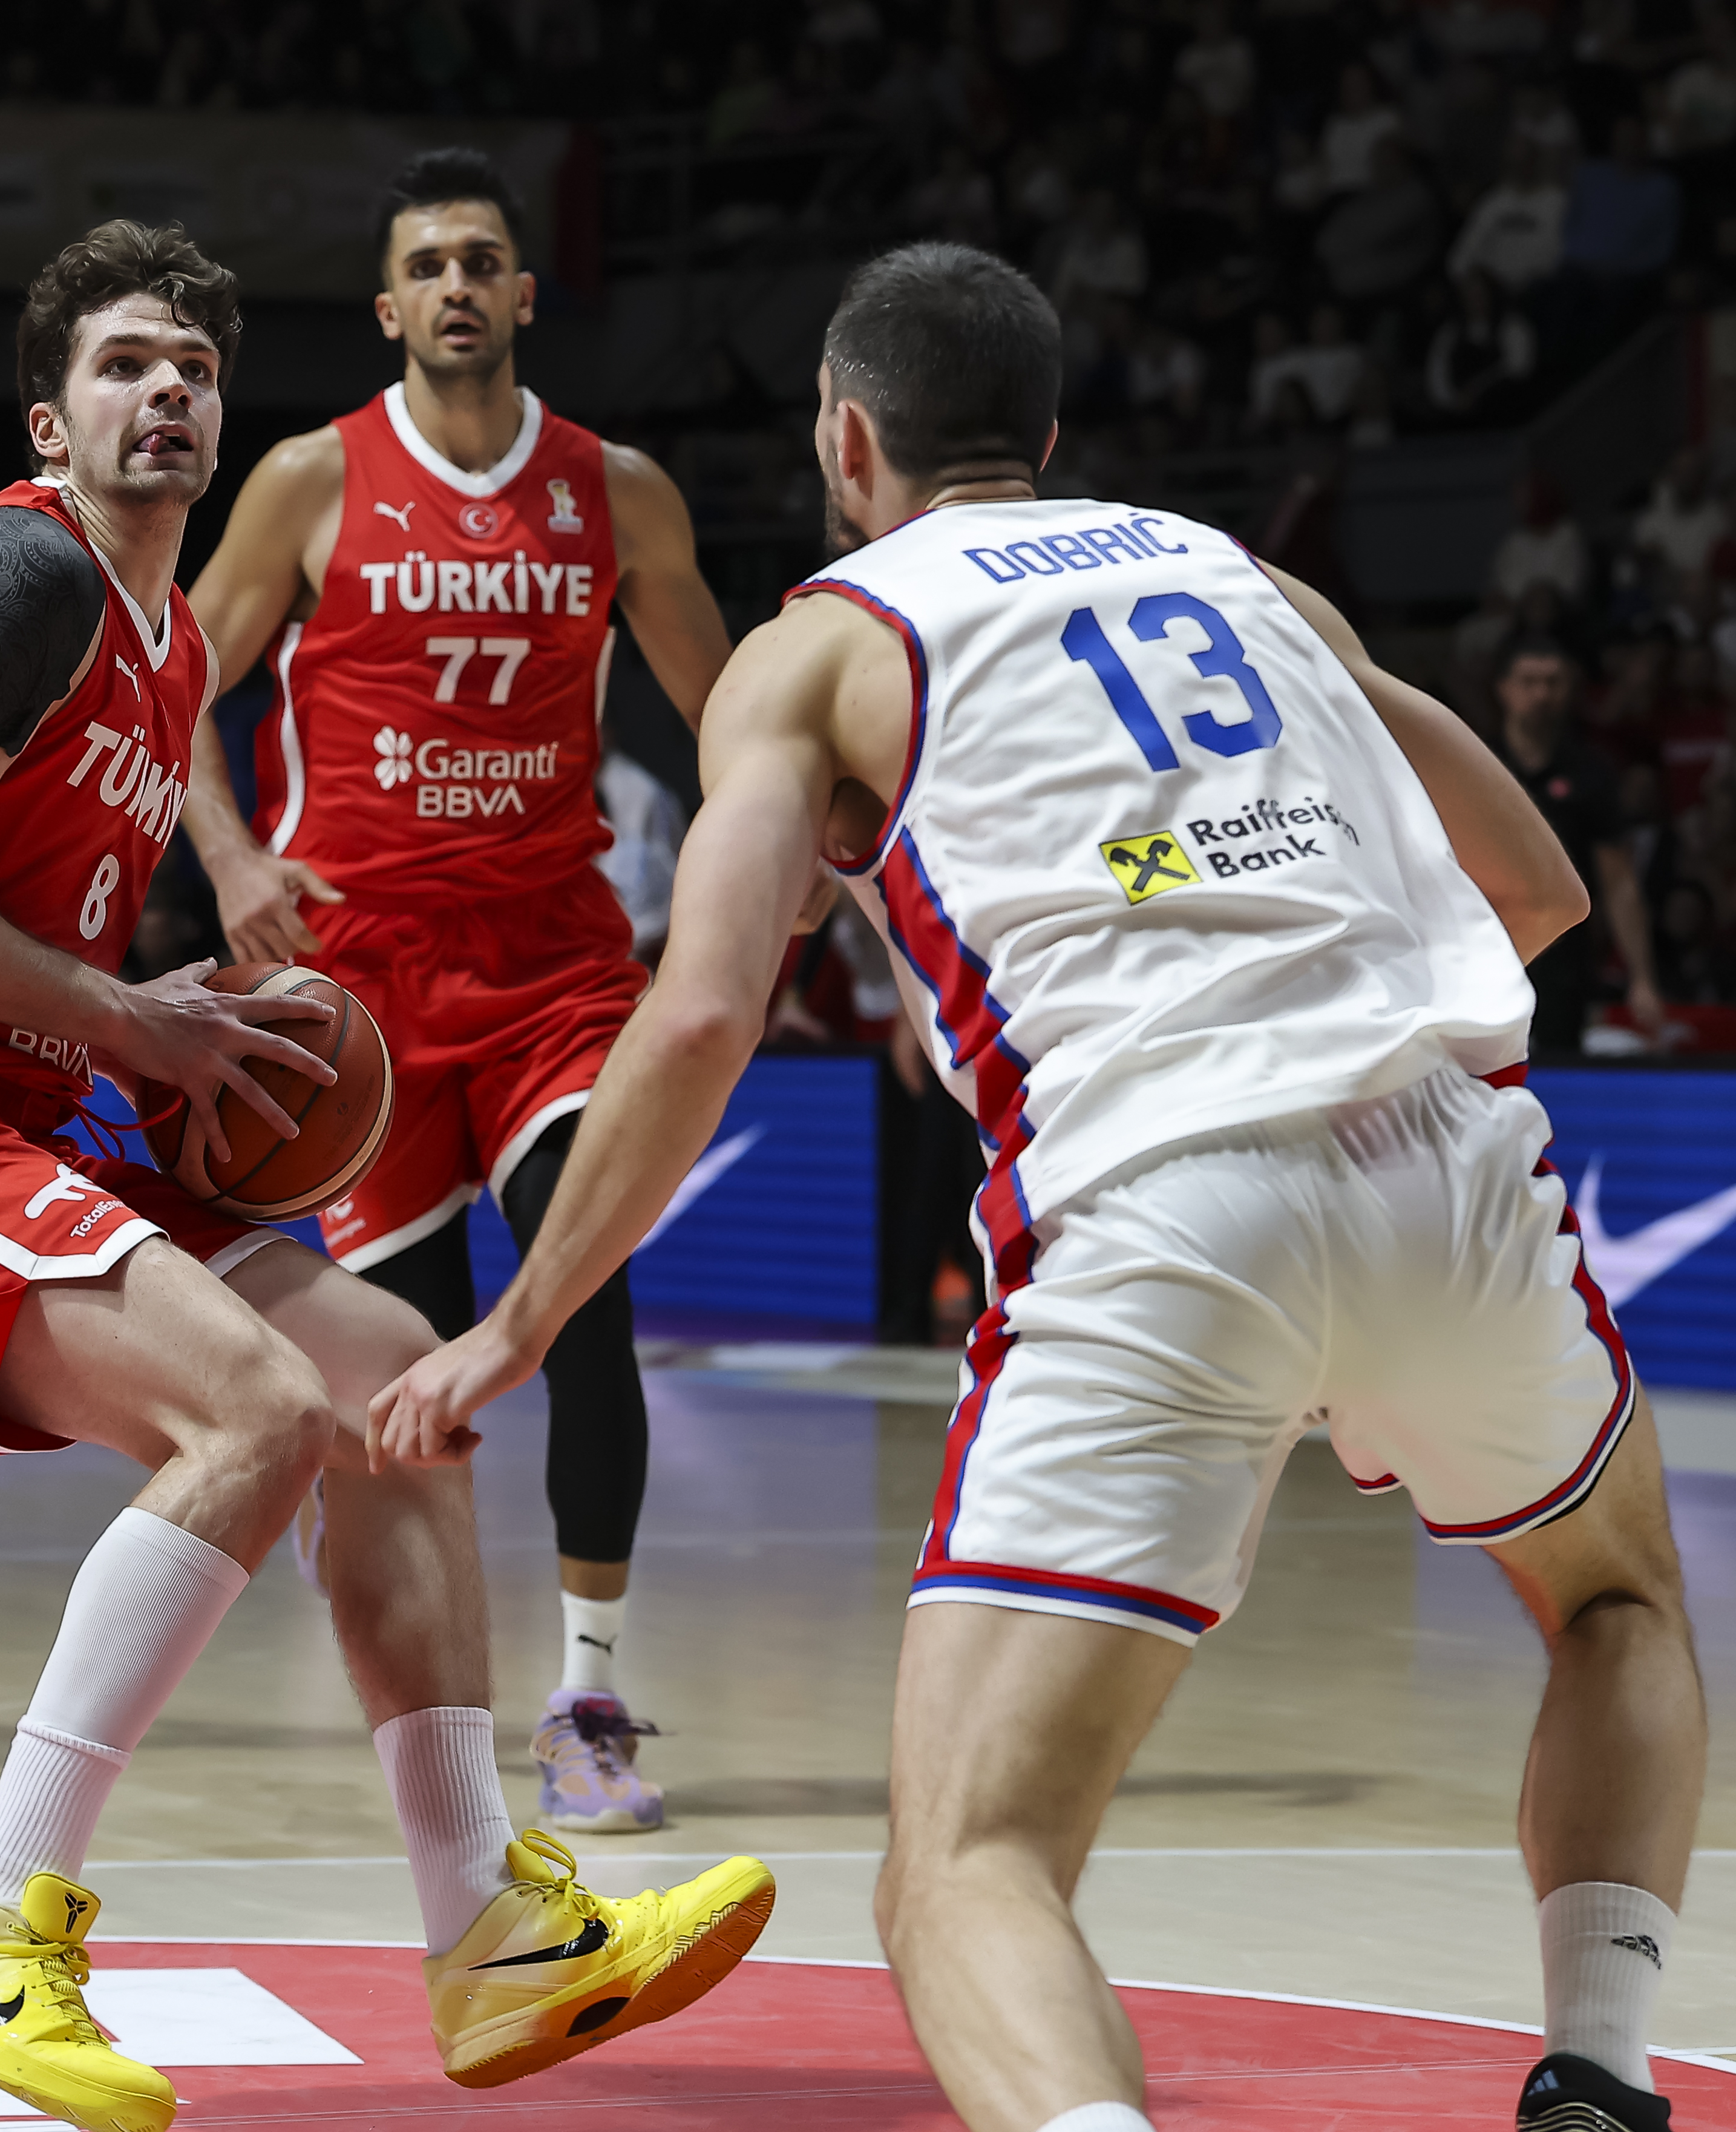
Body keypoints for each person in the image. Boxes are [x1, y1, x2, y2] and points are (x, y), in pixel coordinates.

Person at [376, 239, 1700, 2132]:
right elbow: (1541, 890)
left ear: (846, 440)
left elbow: (696, 1020)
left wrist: (523, 1316)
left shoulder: (822, 645)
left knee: (964, 1865)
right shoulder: (1248, 575)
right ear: (1052, 437)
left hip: (1165, 1201)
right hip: (1450, 1166)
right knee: (1616, 1605)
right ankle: (1599, 2060)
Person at [0, 218, 770, 2132]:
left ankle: (490, 1934)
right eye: (128, 364)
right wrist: (133, 1026)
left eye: (197, 367)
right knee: (263, 1410)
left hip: (15, 1105)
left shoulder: (173, 637)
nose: (171, 393)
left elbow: (47, 940)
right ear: (52, 414)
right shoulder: (22, 568)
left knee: (393, 1391)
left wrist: (194, 1007)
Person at [182, 147, 733, 1835]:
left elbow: (734, 715)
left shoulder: (615, 490)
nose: (457, 288)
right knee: (402, 1371)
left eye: (483, 260)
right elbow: (169, 688)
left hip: (557, 964)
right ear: (389, 304)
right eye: (428, 264)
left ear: (522, 293)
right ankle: (435, 1714)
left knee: (582, 1305)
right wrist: (226, 861)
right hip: (360, 982)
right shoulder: (306, 478)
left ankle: (590, 1699)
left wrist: (817, 857)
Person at [1493, 636, 1666, 1052]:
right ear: (1504, 689)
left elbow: (1618, 882)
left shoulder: (1591, 773)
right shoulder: (1476, 761)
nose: (1541, 694)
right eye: (1529, 681)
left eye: (1553, 682)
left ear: (1570, 688)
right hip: (1486, 949)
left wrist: (1641, 977)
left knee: (1556, 1071)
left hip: (1562, 958)